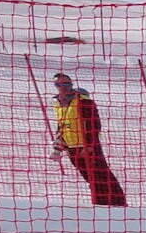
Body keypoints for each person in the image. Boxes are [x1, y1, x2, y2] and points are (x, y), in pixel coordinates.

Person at [48, 74, 126, 207]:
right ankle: (102, 202)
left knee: (100, 174)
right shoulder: (58, 103)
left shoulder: (83, 101)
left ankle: (117, 202)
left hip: (87, 145)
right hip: (71, 146)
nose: (62, 88)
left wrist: (90, 144)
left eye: (65, 84)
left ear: (71, 84)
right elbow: (61, 124)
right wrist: (59, 140)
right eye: (58, 85)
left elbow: (94, 124)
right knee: (89, 177)